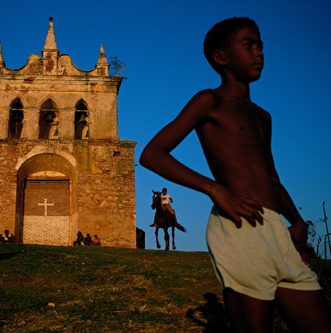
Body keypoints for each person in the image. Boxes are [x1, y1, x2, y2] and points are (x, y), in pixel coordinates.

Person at [139, 17, 331, 332]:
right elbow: (152, 154)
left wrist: (295, 220)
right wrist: (215, 189)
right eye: (249, 45)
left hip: (276, 228)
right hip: (241, 225)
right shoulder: (209, 101)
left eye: (261, 46)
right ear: (221, 57)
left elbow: (270, 177)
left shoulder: (263, 116)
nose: (259, 53)